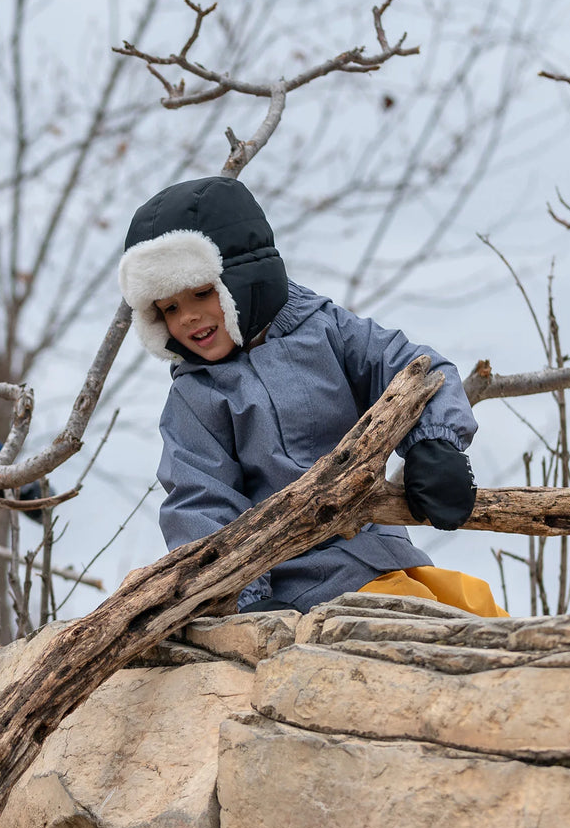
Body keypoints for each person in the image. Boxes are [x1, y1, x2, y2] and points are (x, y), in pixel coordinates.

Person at [117, 175, 506, 618]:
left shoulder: (324, 330)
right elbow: (200, 500)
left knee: (482, 609)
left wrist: (435, 444)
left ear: (243, 277)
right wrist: (243, 599)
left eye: (202, 293)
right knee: (429, 626)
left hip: (384, 553)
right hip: (298, 587)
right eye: (168, 308)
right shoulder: (196, 398)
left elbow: (411, 366)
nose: (188, 317)